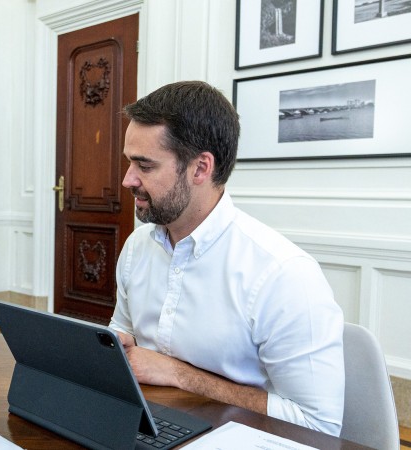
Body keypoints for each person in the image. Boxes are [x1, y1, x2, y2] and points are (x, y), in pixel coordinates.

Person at [109, 81, 344, 436]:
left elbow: (318, 424)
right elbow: (123, 337)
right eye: (130, 162)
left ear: (200, 168)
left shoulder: (283, 275)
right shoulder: (138, 247)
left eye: (145, 165)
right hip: (151, 430)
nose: (128, 180)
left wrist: (178, 374)